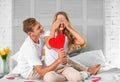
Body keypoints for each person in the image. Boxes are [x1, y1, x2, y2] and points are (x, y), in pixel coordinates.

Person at [43, 11, 101, 82]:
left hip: (65, 67)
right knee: (48, 79)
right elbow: (49, 45)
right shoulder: (49, 33)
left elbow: (82, 41)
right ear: (55, 22)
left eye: (63, 20)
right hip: (51, 69)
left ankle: (87, 73)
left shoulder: (67, 37)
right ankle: (65, 78)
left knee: (78, 78)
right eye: (59, 20)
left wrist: (69, 27)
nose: (61, 23)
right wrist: (53, 28)